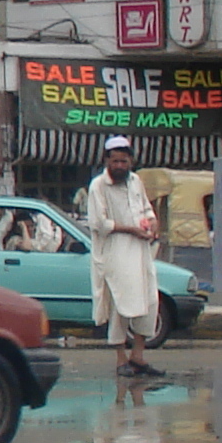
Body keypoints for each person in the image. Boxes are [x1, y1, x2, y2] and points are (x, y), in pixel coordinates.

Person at [84, 134, 164, 377]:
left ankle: (138, 356)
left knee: (149, 301)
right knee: (121, 305)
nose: (120, 166)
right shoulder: (98, 186)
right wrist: (131, 230)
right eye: (115, 161)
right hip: (115, 252)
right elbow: (98, 223)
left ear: (131, 161)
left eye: (124, 161)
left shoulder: (135, 181)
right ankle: (121, 360)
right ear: (107, 160)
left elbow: (146, 209)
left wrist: (153, 221)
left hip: (141, 252)